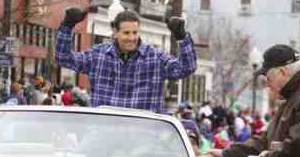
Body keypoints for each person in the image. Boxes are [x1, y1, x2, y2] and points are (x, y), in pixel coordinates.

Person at [55, 8, 197, 113]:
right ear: (116, 32)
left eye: (135, 32)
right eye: (126, 33)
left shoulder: (155, 58)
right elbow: (64, 58)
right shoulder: (98, 56)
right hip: (104, 132)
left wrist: (181, 37)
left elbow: (186, 68)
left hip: (144, 137)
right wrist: (67, 26)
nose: (131, 38)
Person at [207, 44, 300, 157]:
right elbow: (264, 142)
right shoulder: (291, 98)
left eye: (268, 78)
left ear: (282, 72)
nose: (267, 84)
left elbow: (296, 149)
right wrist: (227, 153)